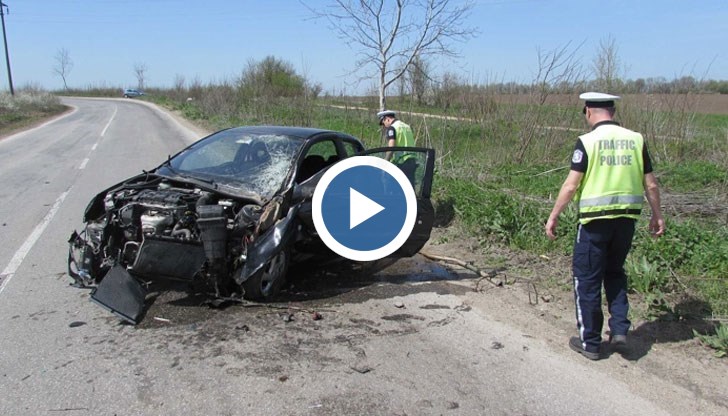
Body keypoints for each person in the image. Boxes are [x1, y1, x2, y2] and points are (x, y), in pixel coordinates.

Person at [545, 92, 665, 360]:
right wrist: (657, 215)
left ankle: (590, 342)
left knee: (587, 279)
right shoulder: (636, 140)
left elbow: (571, 185)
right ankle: (620, 331)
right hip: (626, 222)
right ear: (613, 111)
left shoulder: (587, 142)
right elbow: (651, 184)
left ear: (588, 111)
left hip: (594, 223)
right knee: (615, 272)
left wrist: (554, 215)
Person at [377, 109, 417, 184]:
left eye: (383, 123)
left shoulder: (392, 128)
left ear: (387, 119)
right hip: (412, 160)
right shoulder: (407, 126)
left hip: (402, 161)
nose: (384, 126)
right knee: (409, 187)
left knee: (397, 187)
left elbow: (391, 147)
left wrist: (385, 161)